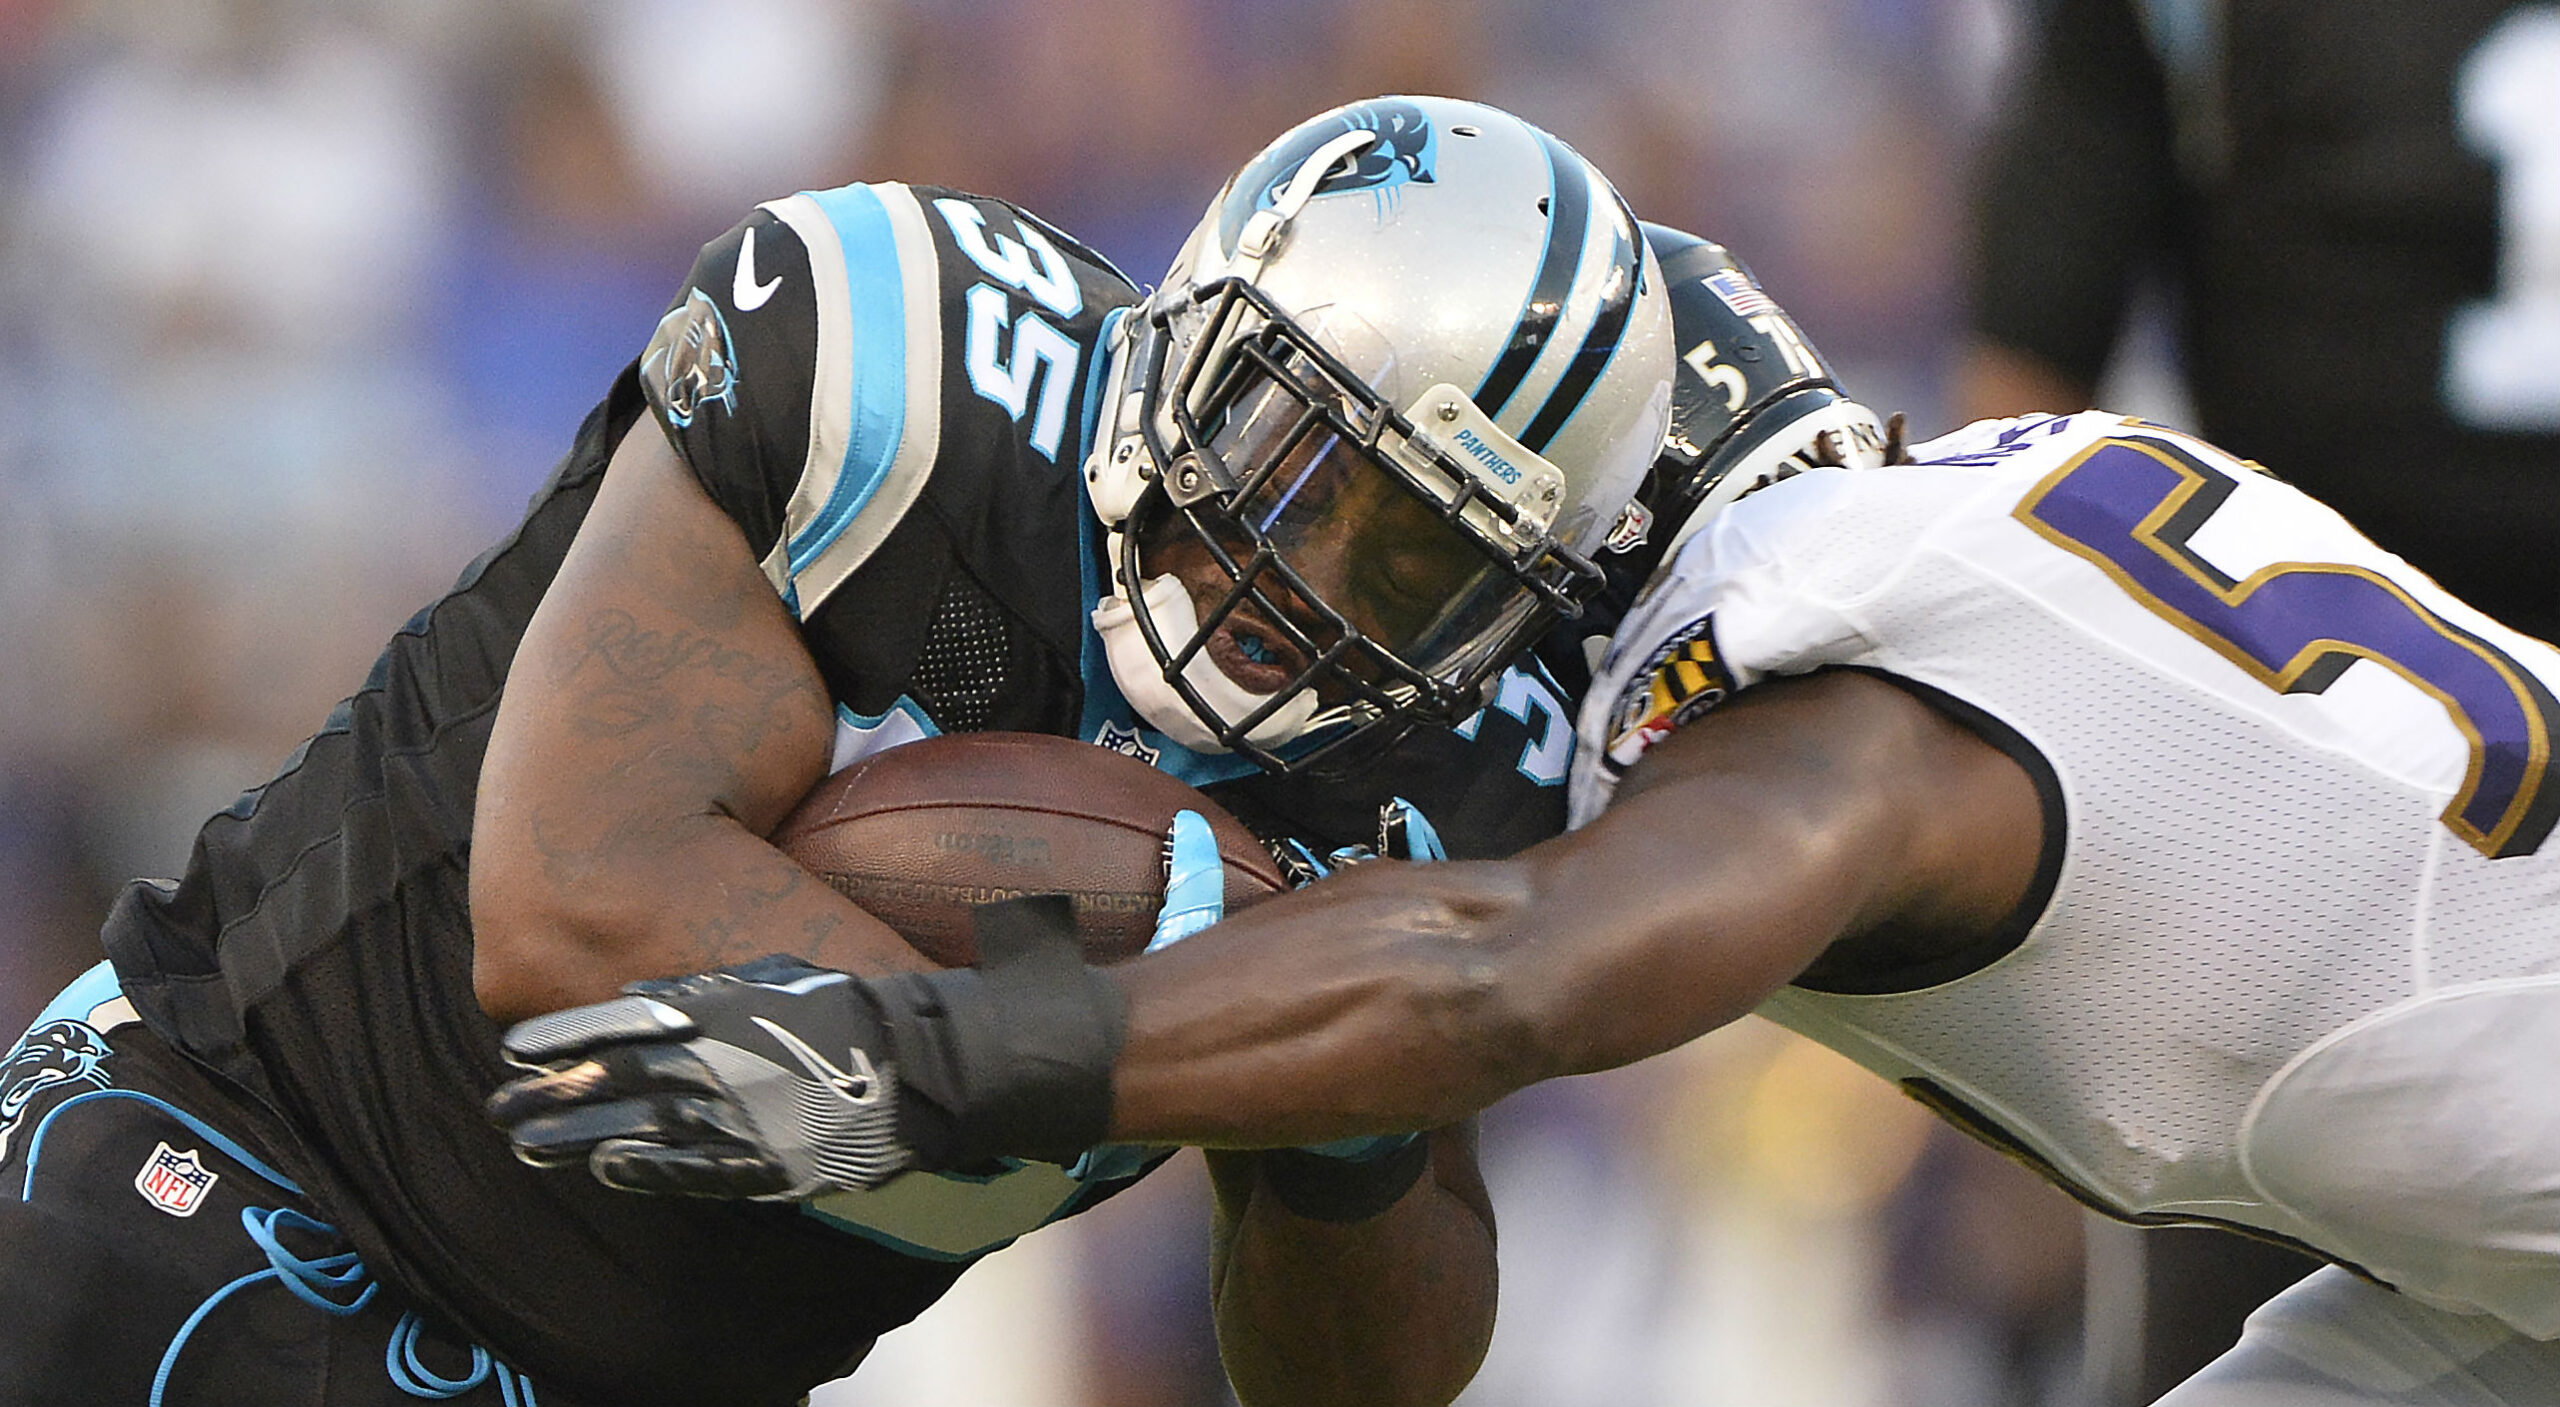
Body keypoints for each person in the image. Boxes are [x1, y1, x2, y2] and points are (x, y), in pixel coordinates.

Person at [499, 240, 2560, 1407]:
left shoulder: (1828, 691)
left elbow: (1507, 970)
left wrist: (930, 1061)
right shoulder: (2009, 499)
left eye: (1439, 557)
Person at [0, 94, 1681, 1407]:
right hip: (248, 1164)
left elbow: (1351, 1379)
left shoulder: (1431, 795)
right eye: (1293, 451)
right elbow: (567, 910)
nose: (1297, 579)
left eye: (1412, 557)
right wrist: (1131, 1025)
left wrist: (1346, 1106)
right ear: (1197, 335)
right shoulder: (921, 373)